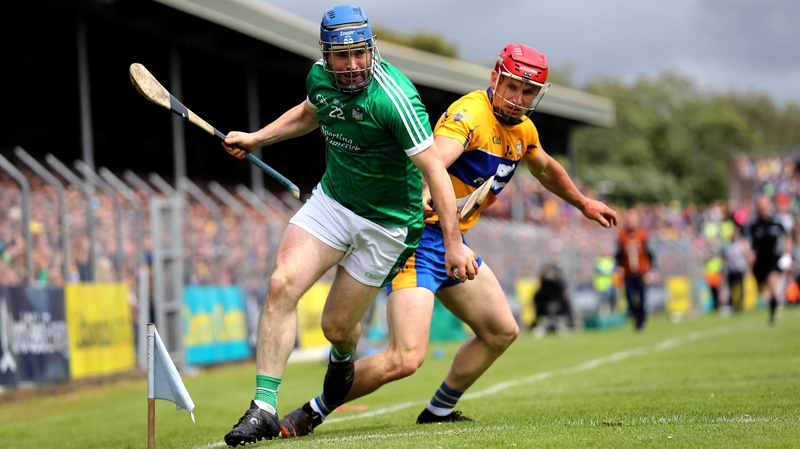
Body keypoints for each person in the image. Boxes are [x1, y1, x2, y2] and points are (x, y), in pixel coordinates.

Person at [278, 43, 617, 438]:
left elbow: (545, 168)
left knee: (501, 331)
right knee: (405, 358)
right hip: (419, 243)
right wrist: (424, 190)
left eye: (528, 93)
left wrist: (583, 203)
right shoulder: (469, 115)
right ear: (495, 78)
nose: (518, 99)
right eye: (512, 87)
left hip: (452, 245)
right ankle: (312, 410)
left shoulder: (523, 130)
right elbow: (434, 160)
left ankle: (439, 409)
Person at [220, 5, 477, 446]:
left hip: (388, 225)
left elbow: (435, 172)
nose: (353, 65)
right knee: (282, 284)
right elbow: (310, 112)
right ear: (326, 55)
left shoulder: (394, 98)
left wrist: (454, 244)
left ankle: (343, 356)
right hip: (334, 201)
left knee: (336, 326)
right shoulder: (319, 78)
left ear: (370, 49)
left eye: (360, 53)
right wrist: (257, 138)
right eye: (342, 56)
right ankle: (263, 407)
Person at [748, 195, 791, 325]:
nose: (762, 209)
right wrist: (749, 253)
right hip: (759, 262)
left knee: (773, 283)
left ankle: (773, 310)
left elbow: (788, 237)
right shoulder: (753, 224)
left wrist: (787, 254)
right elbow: (745, 241)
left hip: (773, 259)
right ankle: (771, 300)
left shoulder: (777, 222)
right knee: (761, 289)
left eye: (764, 206)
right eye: (760, 206)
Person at [615, 208, 654, 331]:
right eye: (629, 220)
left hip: (641, 271)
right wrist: (619, 266)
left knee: (642, 297)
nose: (630, 223)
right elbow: (619, 253)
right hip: (628, 272)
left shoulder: (643, 234)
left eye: (632, 220)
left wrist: (650, 269)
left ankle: (641, 321)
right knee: (629, 297)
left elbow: (650, 253)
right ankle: (636, 317)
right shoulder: (622, 236)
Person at [530, 263, 574, 334]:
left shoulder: (557, 286)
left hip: (557, 309)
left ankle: (569, 324)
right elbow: (536, 299)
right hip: (545, 310)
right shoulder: (543, 287)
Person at [723, 223, 752, 313]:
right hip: (731, 269)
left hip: (740, 268)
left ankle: (740, 305)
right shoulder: (728, 245)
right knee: (731, 288)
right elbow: (726, 257)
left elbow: (747, 255)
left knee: (740, 288)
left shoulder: (741, 243)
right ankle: (732, 305)